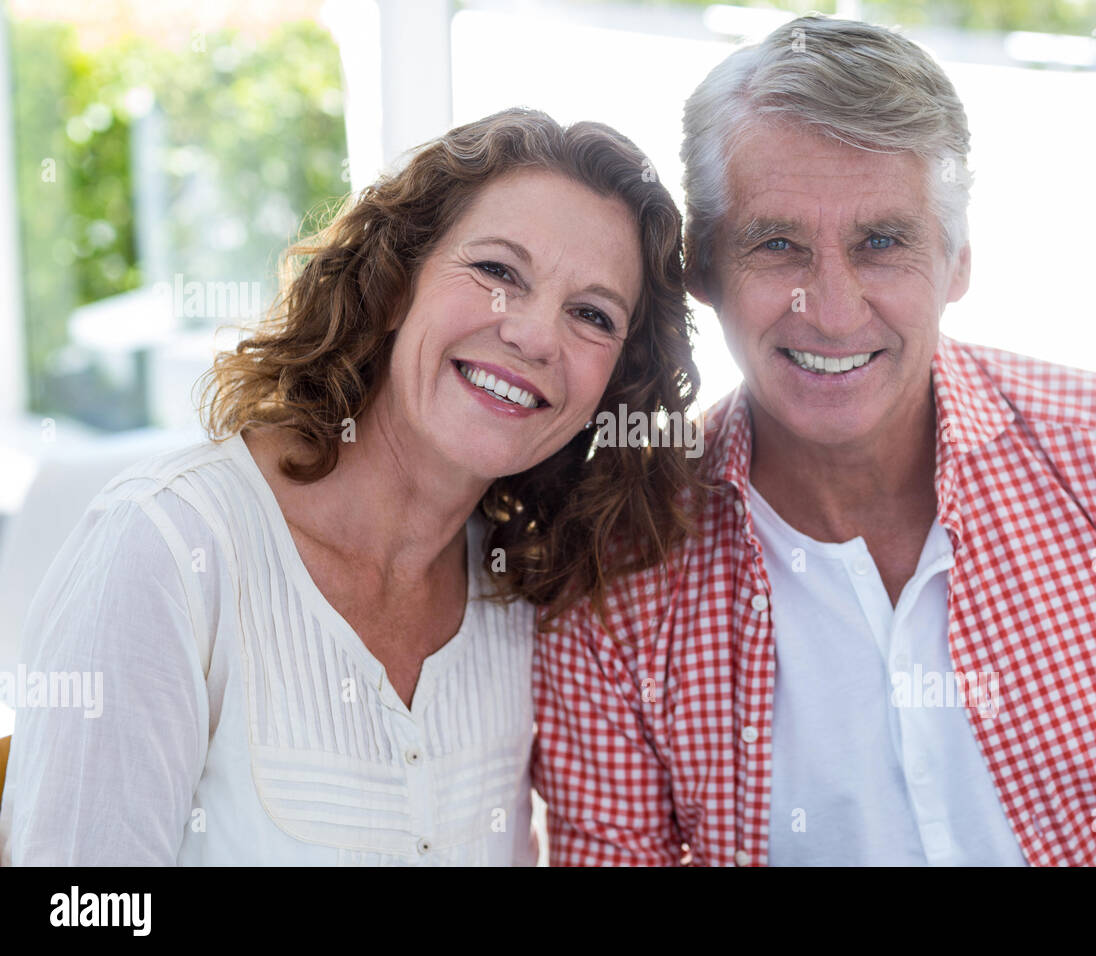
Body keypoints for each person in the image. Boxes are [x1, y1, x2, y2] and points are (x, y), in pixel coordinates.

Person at [532, 15, 1096, 866]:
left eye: (882, 242)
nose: (830, 309)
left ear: (958, 259)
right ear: (703, 271)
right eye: (777, 244)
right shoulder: (617, 575)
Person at [0, 107, 703, 865]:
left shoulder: (523, 596)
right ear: (396, 281)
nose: (534, 335)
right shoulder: (166, 550)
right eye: (498, 271)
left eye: (592, 315)